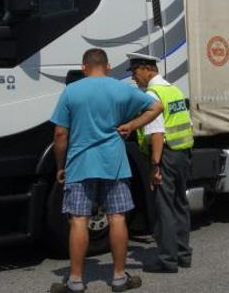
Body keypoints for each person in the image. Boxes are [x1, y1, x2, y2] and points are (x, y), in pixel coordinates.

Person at [50, 48, 164, 293]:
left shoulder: (71, 92)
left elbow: (60, 134)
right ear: (108, 66)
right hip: (115, 164)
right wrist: (131, 125)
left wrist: (60, 166)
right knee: (117, 218)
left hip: (80, 164)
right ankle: (120, 278)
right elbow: (156, 107)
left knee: (79, 220)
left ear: (84, 68)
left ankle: (76, 281)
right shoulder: (121, 89)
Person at [126, 53, 194, 274]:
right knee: (180, 205)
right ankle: (183, 255)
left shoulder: (153, 94)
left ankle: (167, 260)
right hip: (182, 154)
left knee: (163, 208)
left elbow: (156, 133)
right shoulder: (173, 90)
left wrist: (154, 166)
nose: (134, 78)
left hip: (163, 156)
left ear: (148, 69)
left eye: (135, 73)